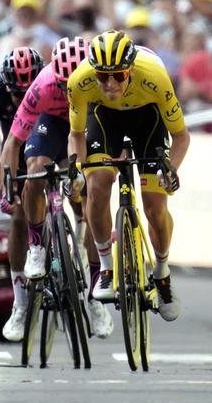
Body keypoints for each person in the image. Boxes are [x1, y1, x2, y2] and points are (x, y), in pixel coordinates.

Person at [67, 30, 190, 322]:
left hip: (147, 118)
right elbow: (75, 135)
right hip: (105, 118)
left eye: (119, 76)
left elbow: (181, 137)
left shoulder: (155, 77)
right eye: (102, 76)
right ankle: (107, 268)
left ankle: (162, 274)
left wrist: (171, 169)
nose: (109, 84)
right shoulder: (79, 81)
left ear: (131, 69)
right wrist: (78, 170)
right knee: (97, 185)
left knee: (154, 206)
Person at [0, 37, 114, 339]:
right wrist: (8, 183)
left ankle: (94, 297)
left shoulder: (100, 81)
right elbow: (12, 143)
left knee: (94, 200)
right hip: (51, 122)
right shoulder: (43, 86)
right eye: (64, 84)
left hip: (87, 121)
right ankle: (37, 246)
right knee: (36, 167)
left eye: (74, 83)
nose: (68, 90)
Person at [0, 46, 44, 341]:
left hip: (46, 140)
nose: (22, 100)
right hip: (13, 148)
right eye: (16, 94)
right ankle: (19, 299)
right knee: (18, 215)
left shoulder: (51, 85)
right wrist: (3, 184)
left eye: (27, 93)